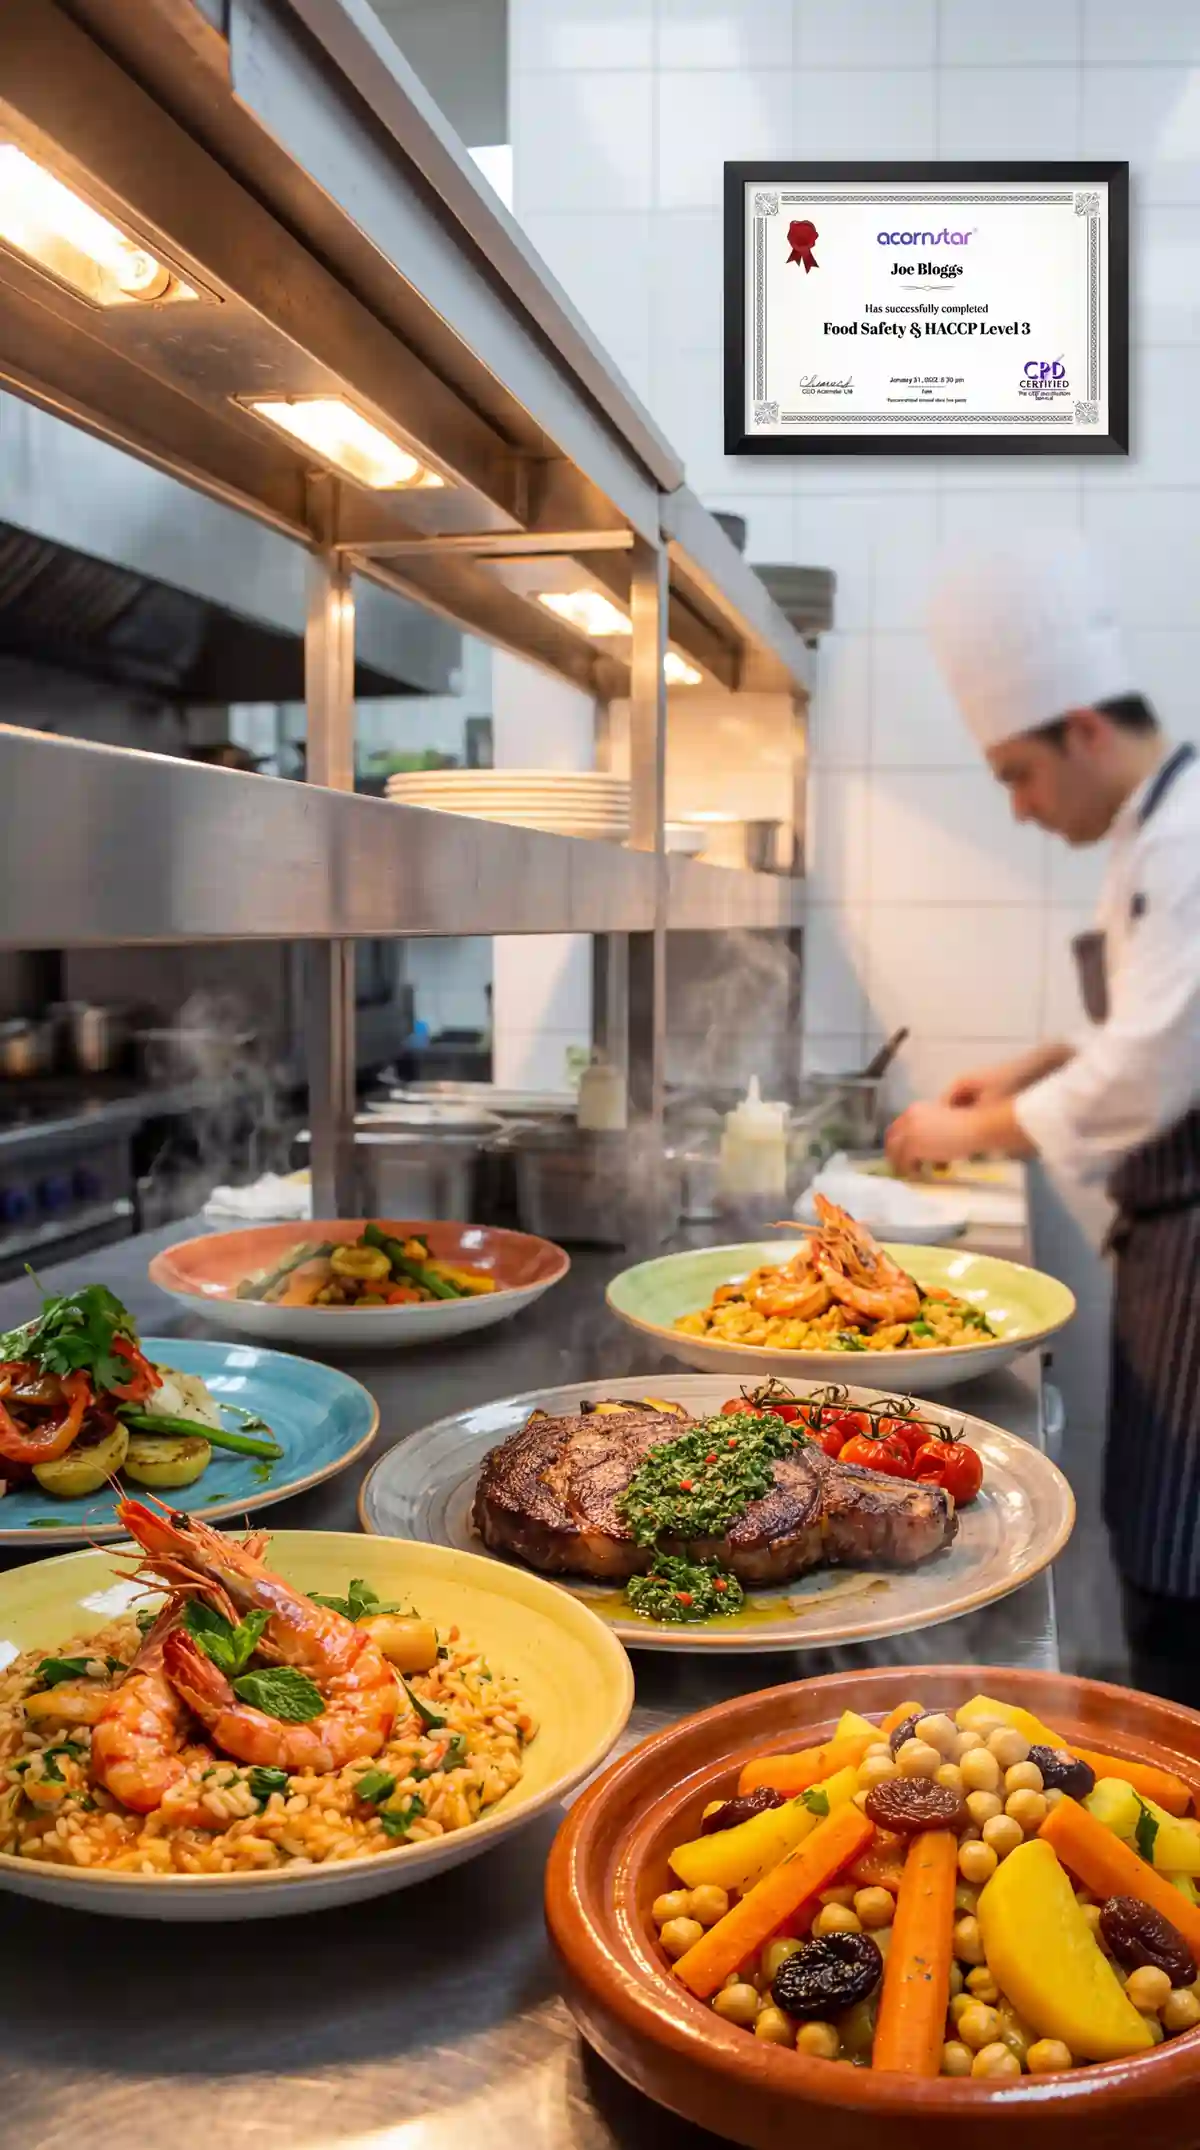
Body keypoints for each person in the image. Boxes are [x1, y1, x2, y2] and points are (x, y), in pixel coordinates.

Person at [885, 537, 1200, 1706]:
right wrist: (1038, 1063)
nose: (1017, 808)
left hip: (1197, 1252)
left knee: (1184, 1572)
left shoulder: (1187, 834)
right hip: (1172, 1242)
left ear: (1082, 727)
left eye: (1016, 773)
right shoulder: (1150, 830)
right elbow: (1157, 1039)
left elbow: (1152, 1074)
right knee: (1166, 1541)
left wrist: (966, 1132)